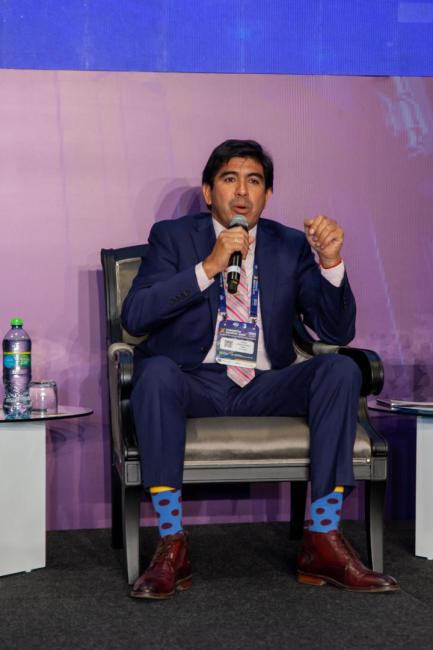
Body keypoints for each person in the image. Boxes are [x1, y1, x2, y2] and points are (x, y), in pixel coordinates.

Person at [121, 139, 399, 599]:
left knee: (340, 370)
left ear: (267, 194)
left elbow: (336, 330)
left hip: (267, 383)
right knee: (153, 374)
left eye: (254, 181)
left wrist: (331, 264)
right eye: (230, 179)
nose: (242, 192)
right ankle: (172, 544)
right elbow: (135, 317)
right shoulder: (172, 237)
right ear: (208, 191)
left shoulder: (289, 244)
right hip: (195, 381)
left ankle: (323, 539)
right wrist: (208, 267)